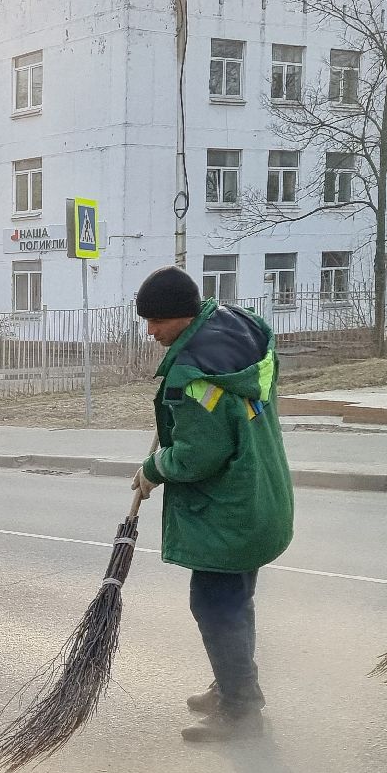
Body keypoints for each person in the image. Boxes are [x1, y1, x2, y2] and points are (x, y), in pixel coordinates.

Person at [128, 266, 295, 742]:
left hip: (229, 513)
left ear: (181, 317)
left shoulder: (194, 376)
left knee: (216, 606)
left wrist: (154, 469)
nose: (151, 332)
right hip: (260, 497)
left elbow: (199, 456)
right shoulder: (238, 332)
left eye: (156, 322)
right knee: (235, 603)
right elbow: (216, 427)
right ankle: (232, 685)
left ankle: (241, 713)